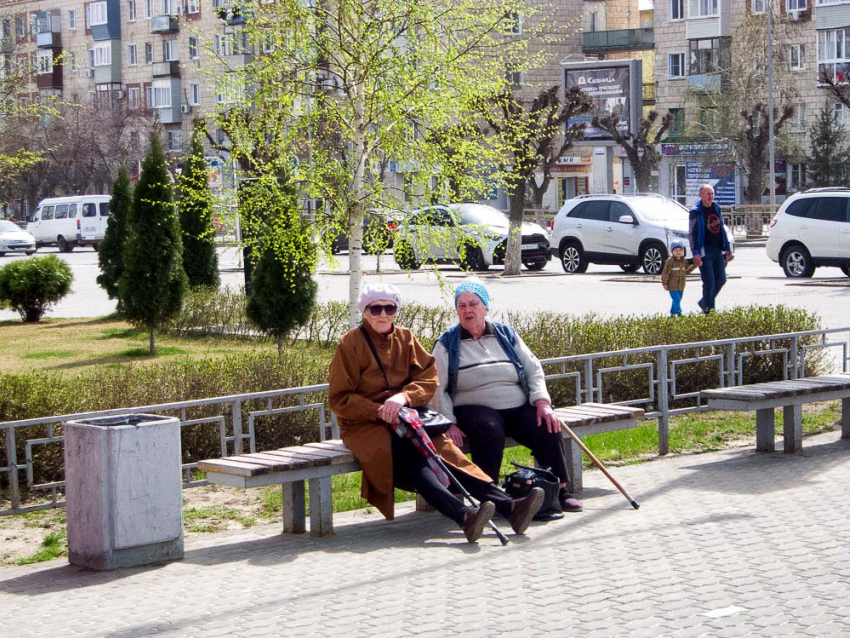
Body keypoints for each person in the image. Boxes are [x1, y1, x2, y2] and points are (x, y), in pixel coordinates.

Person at [328, 282, 544, 543]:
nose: (383, 314)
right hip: (366, 425)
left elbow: (429, 378)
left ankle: (510, 508)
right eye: (376, 309)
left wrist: (403, 397)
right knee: (412, 458)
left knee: (446, 453)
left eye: (389, 308)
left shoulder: (406, 337)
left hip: (409, 418)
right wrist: (379, 410)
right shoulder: (349, 344)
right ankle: (464, 514)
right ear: (365, 312)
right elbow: (340, 398)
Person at [432, 280, 583, 514]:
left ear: (485, 307)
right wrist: (447, 422)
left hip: (516, 403)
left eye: (473, 304)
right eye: (461, 305)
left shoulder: (505, 334)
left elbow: (533, 368)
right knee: (489, 428)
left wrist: (542, 402)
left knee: (546, 424)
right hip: (472, 406)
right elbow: (437, 387)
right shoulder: (447, 343)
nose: (467, 310)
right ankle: (491, 498)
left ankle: (560, 491)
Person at [689, 184, 733, 315]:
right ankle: (710, 311)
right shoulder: (695, 211)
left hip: (717, 249)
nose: (710, 197)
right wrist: (695, 253)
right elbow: (691, 233)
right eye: (708, 194)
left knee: (721, 279)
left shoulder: (716, 208)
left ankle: (705, 302)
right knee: (710, 282)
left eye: (712, 194)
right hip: (704, 250)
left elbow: (721, 229)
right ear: (701, 195)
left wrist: (727, 247)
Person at [660, 240, 696, 317]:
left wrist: (695, 265)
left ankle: (672, 313)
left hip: (681, 285)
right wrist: (664, 283)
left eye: (680, 250)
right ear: (672, 252)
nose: (678, 252)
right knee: (676, 299)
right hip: (672, 286)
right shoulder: (670, 261)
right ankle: (679, 313)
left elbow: (687, 271)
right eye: (676, 250)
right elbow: (665, 272)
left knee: (677, 300)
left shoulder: (684, 262)